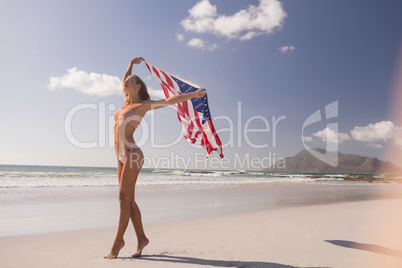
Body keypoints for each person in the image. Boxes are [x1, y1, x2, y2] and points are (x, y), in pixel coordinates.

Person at [105, 57, 206, 259]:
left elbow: (168, 101)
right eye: (126, 81)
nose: (126, 82)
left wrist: (193, 95)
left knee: (123, 199)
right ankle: (142, 238)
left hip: (133, 154)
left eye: (131, 80)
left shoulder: (143, 105)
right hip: (119, 157)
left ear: (139, 86)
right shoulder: (124, 101)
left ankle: (118, 242)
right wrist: (130, 65)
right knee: (129, 200)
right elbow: (123, 77)